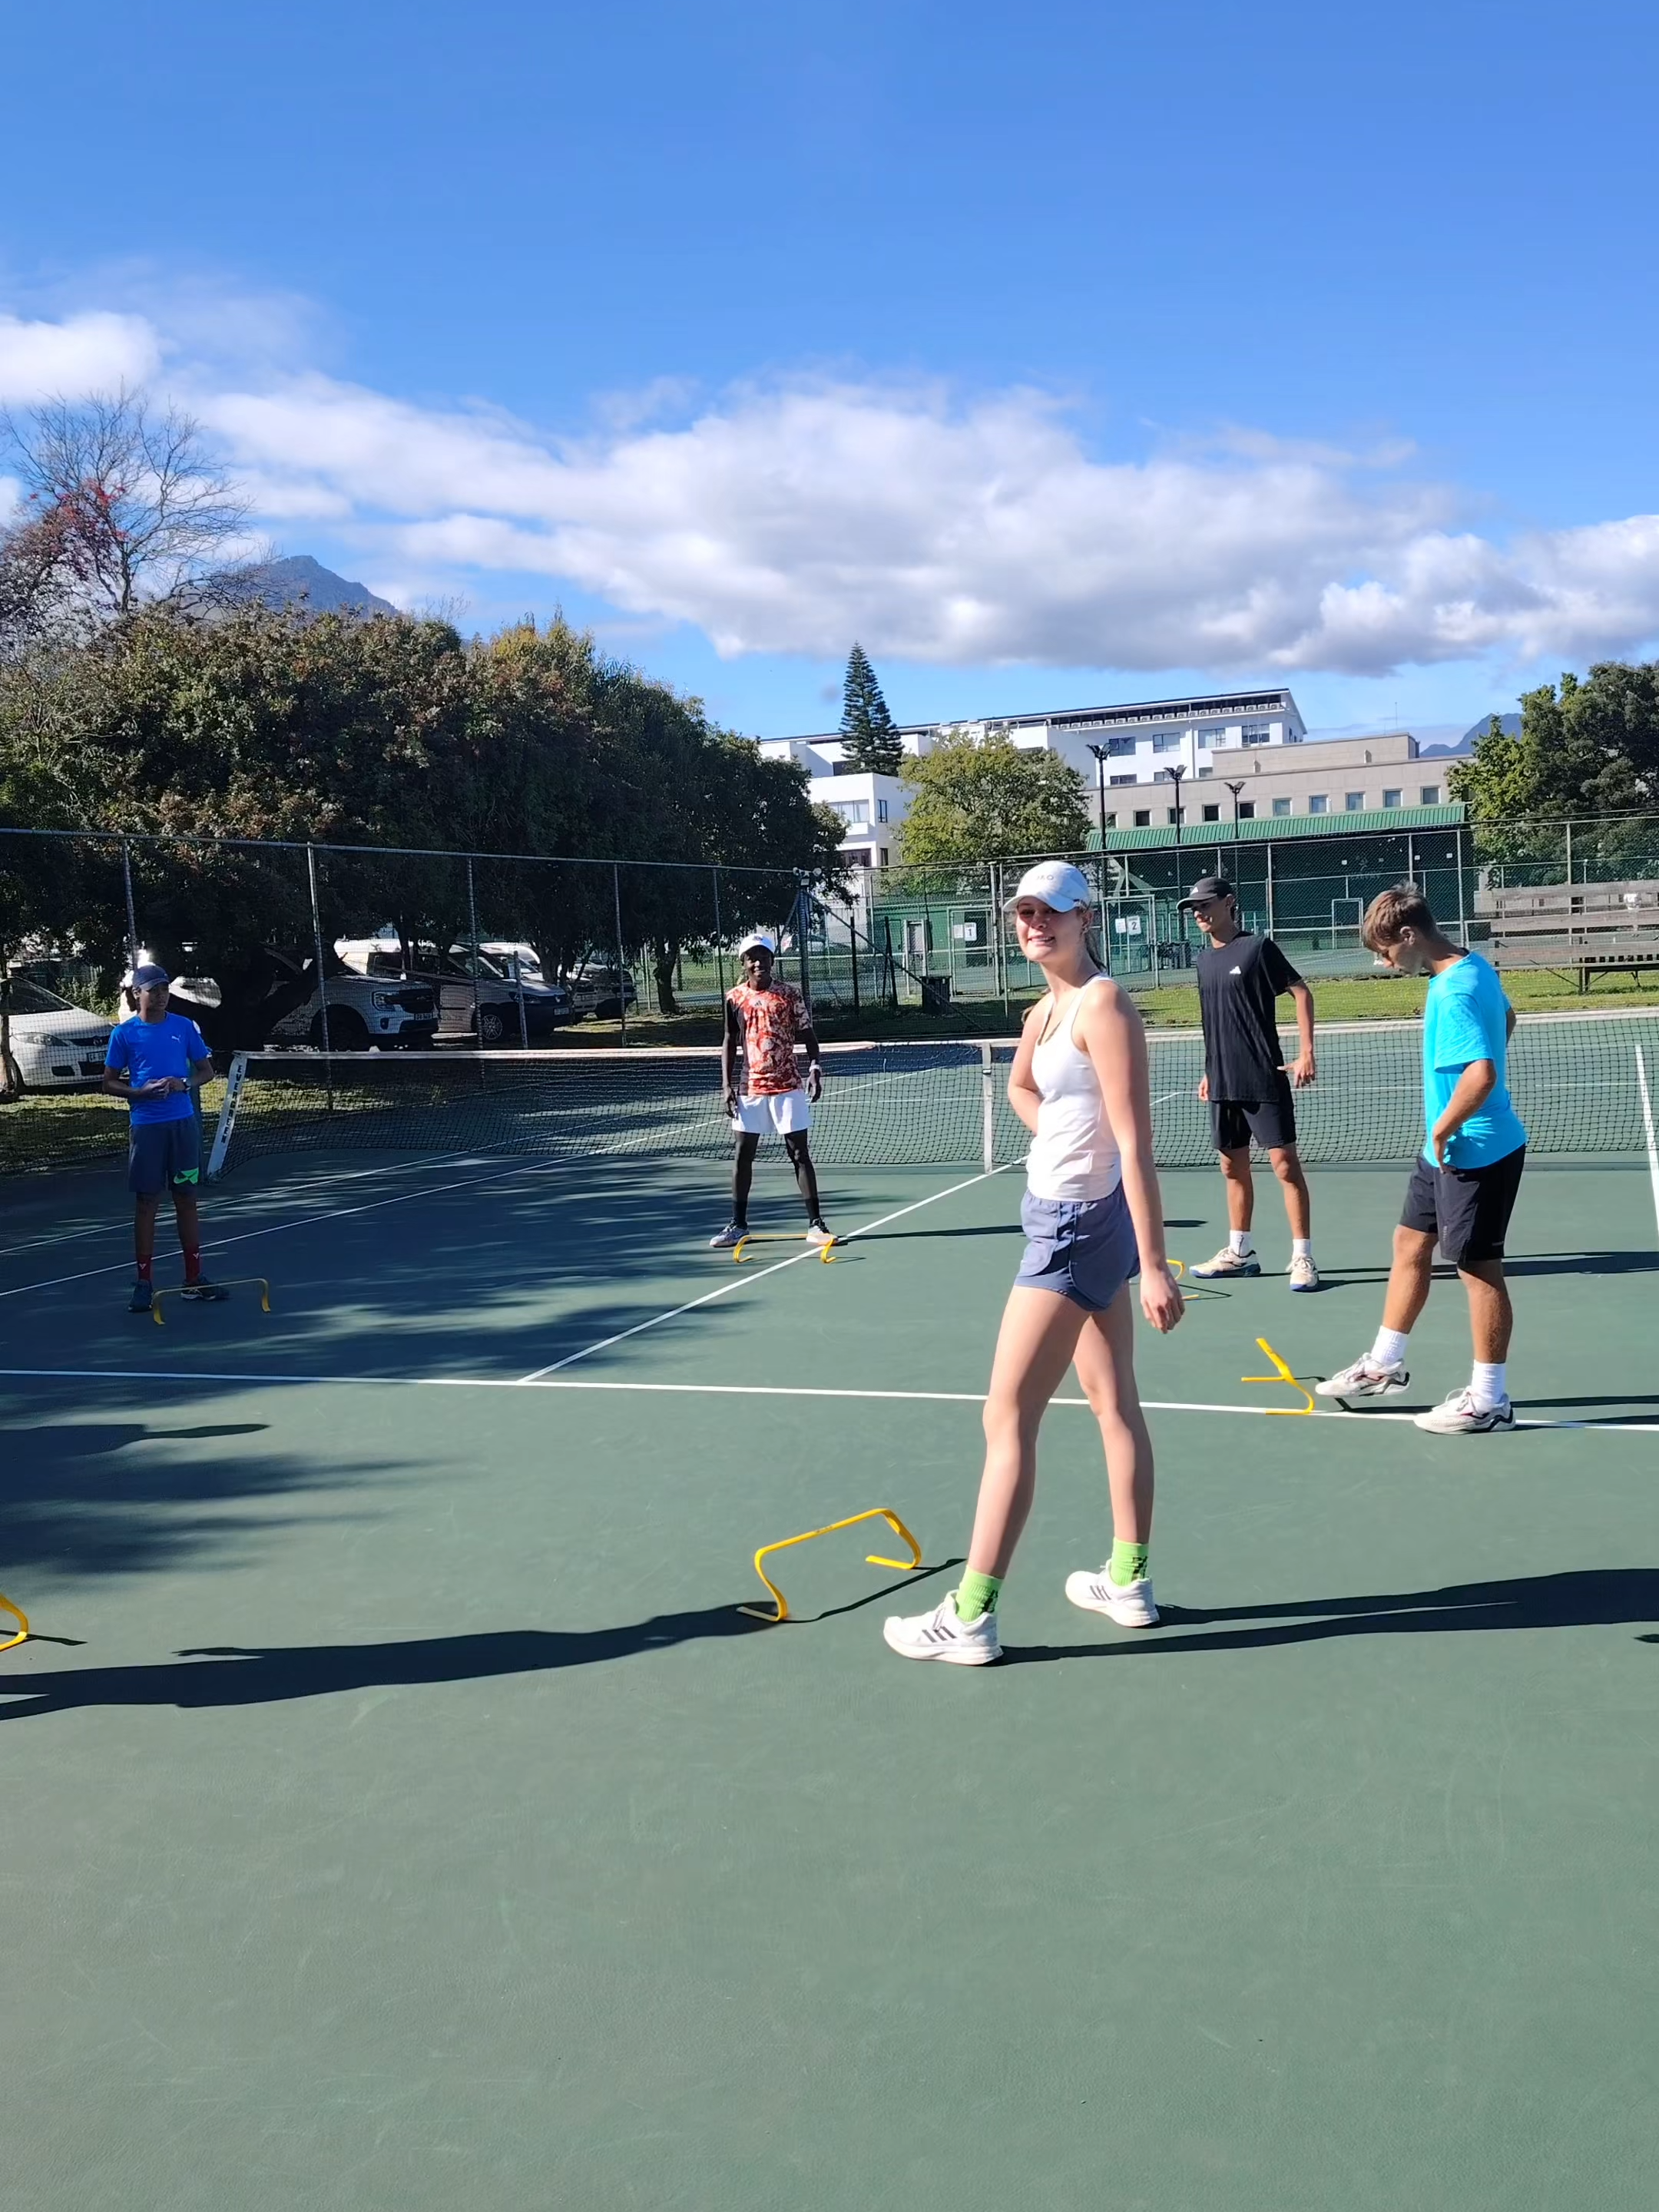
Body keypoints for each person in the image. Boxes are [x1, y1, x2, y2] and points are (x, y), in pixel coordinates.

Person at [882, 861, 1186, 1665]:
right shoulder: (1044, 1012)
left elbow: (1135, 1140)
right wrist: (1053, 1133)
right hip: (1070, 1218)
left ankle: (971, 1615)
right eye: (1022, 914)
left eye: (1049, 913)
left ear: (1086, 917)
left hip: (1078, 1231)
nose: (1033, 925)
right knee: (1112, 1399)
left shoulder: (1103, 1005)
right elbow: (1024, 1089)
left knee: (1006, 1418)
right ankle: (1129, 1581)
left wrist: (1154, 1263)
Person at [1316, 886, 1527, 1434]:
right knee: (1410, 1244)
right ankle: (1385, 1363)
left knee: (1478, 1270)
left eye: (1385, 951)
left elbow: (1482, 1074)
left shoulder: (1453, 991)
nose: (1383, 962)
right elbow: (1507, 1020)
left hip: (1474, 1150)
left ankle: (1489, 1400)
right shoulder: (1472, 967)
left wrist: (1443, 1124)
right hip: (1447, 1151)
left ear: (1408, 936)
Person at [1180, 874, 1321, 1291]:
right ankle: (1240, 1253)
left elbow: (1301, 992)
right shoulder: (1204, 961)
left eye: (1206, 905)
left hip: (1264, 1076)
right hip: (1222, 1080)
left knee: (1285, 1166)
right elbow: (1215, 1022)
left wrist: (1307, 1051)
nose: (1200, 914)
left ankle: (1303, 1257)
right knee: (1231, 1167)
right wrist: (1210, 1071)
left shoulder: (1258, 948)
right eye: (1194, 909)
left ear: (1229, 902)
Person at [104, 962, 230, 1314]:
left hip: (182, 1128)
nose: (161, 995)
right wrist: (139, 1092)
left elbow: (206, 1071)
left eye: (164, 989)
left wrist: (184, 1084)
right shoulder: (124, 1034)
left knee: (186, 1197)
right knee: (147, 1202)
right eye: (153, 990)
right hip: (147, 1129)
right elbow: (109, 1082)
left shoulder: (184, 1027)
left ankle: (194, 1279)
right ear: (136, 994)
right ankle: (144, 1283)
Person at [709, 932, 832, 1250]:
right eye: (752, 957)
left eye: (763, 957)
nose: (758, 962)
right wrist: (726, 1085)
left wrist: (815, 1068)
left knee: (799, 1153)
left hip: (788, 1085)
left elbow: (808, 1034)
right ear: (744, 963)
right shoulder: (734, 997)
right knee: (743, 1155)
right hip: (750, 1089)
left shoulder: (790, 995)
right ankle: (738, 1225)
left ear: (772, 961)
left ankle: (816, 1225)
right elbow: (728, 1041)